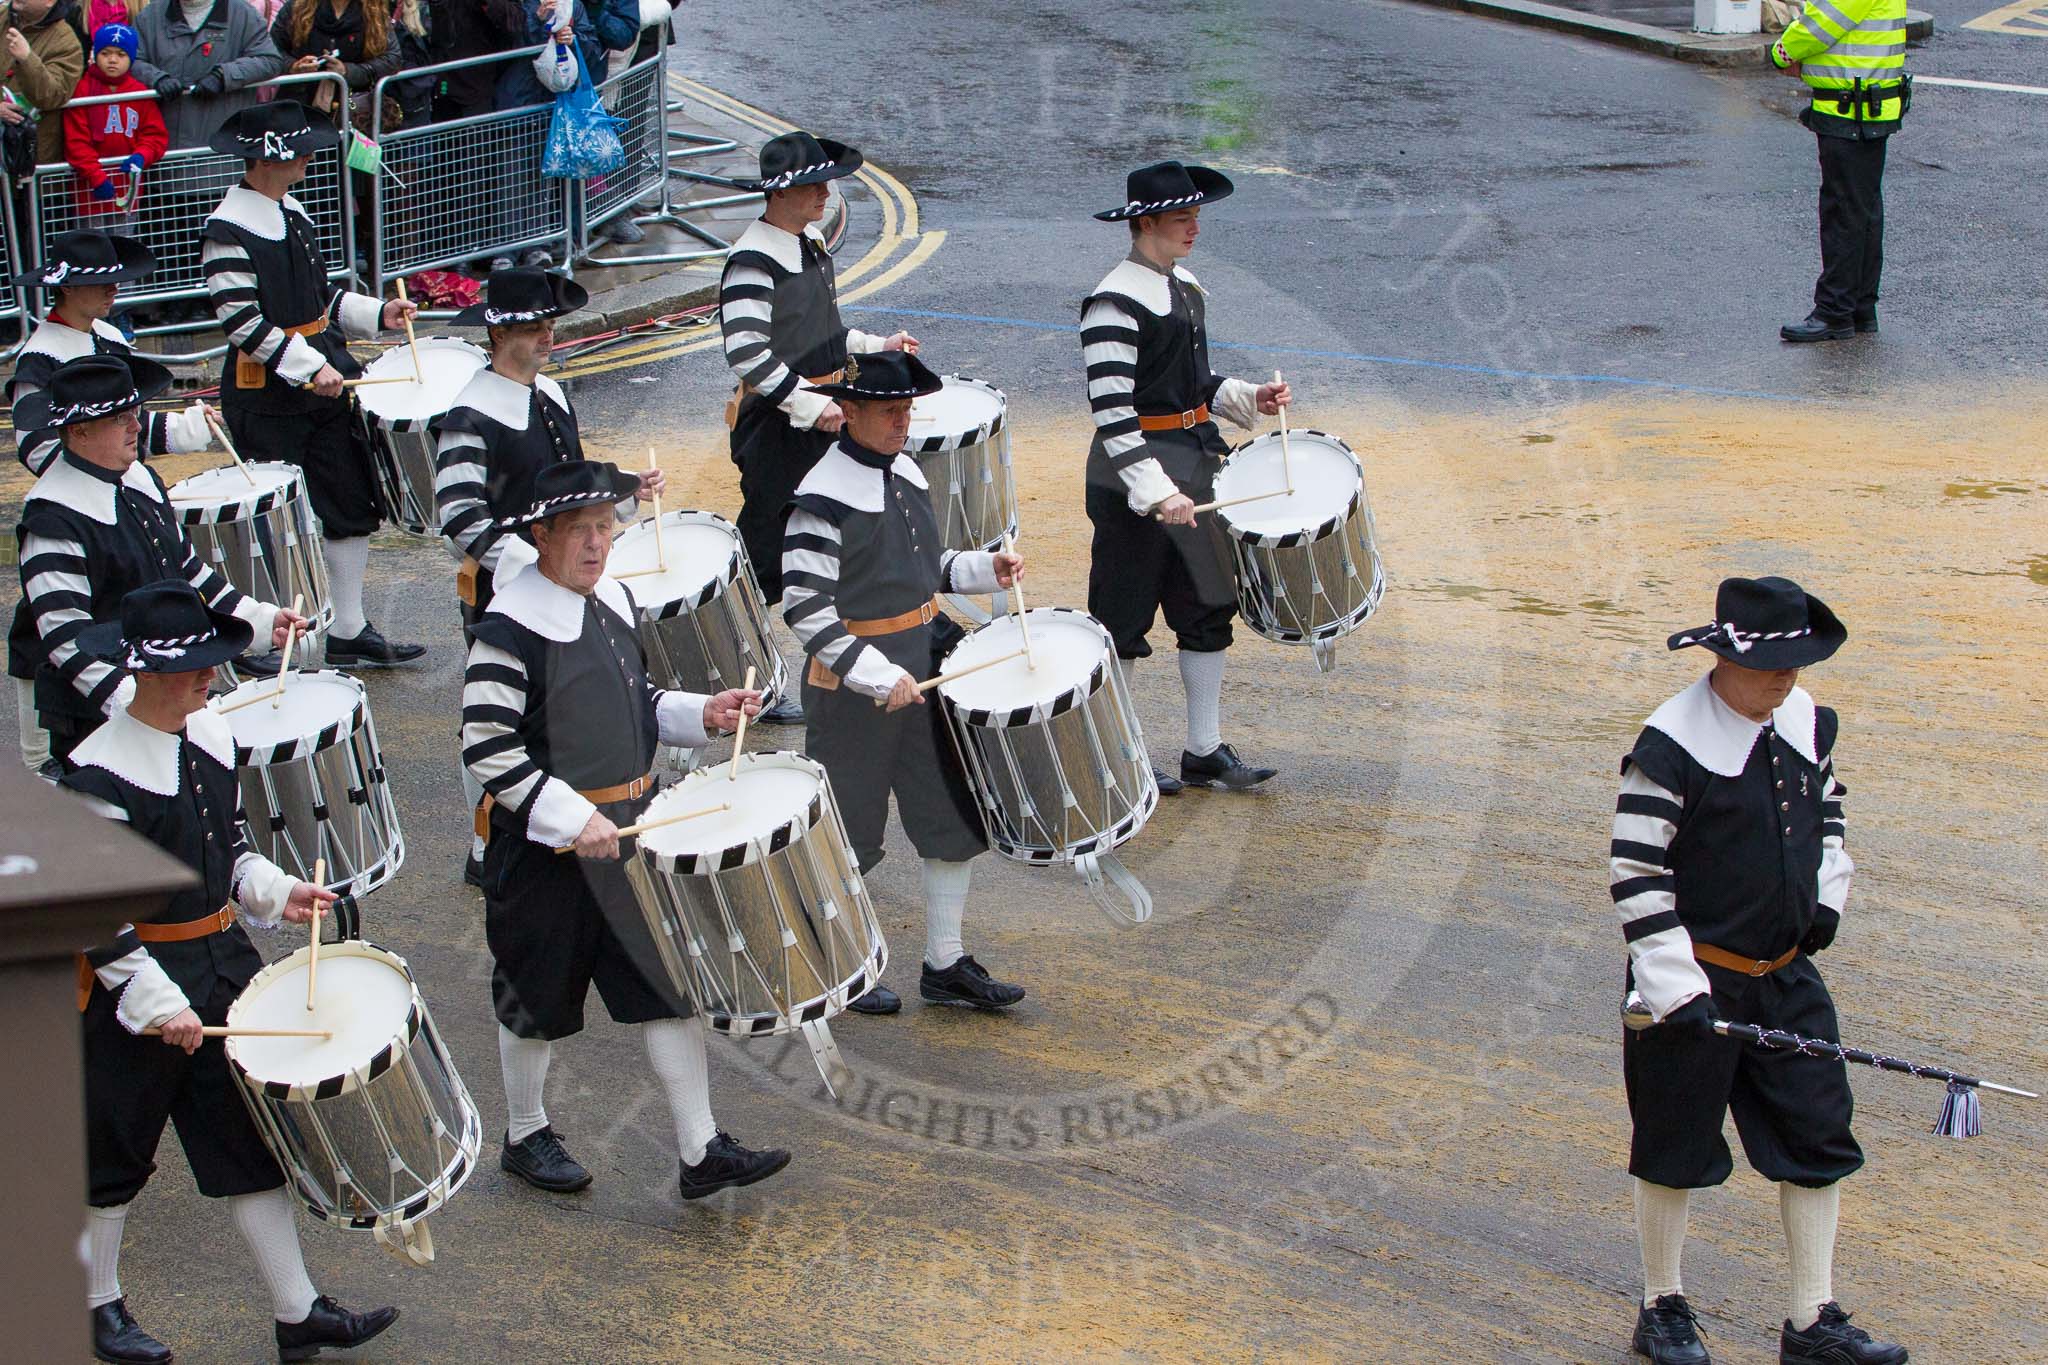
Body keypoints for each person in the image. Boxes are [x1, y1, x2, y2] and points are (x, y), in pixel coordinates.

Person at [62, 579, 400, 1365]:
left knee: (249, 1141)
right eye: (192, 669)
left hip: (223, 968)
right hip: (135, 987)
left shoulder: (208, 735)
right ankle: (94, 1305)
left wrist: (278, 892)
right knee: (112, 1154)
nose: (210, 677)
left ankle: (297, 1309)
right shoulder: (95, 776)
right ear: (144, 674)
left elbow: (232, 848)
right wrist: (151, 1001)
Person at [462, 460, 790, 1199]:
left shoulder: (613, 598)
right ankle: (524, 1133)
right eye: (579, 529)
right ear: (541, 535)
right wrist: (573, 817)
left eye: (606, 525)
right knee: (534, 998)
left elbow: (635, 695)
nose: (596, 542)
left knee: (666, 987)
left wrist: (700, 711)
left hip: (630, 834)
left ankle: (701, 1148)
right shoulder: (507, 629)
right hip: (548, 852)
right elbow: (487, 750)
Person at [1610, 577, 1907, 1365]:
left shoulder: (1803, 719)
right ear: (1721, 658)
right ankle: (1662, 1306)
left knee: (1817, 1131)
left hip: (1784, 974)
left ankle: (1812, 1320)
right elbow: (1635, 872)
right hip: (1690, 978)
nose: (1787, 681)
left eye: (1799, 667)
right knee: (1675, 1142)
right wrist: (1677, 989)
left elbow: (1831, 802)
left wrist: (1825, 891)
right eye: (1774, 668)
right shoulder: (1669, 743)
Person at [782, 351, 1027, 1014]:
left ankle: (945, 962)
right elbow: (806, 609)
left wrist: (985, 569)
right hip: (854, 690)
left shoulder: (908, 468)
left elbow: (929, 565)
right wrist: (873, 673)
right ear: (851, 412)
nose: (903, 420)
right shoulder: (819, 498)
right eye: (890, 410)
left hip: (924, 670)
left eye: (908, 408)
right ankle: (841, 963)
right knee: (849, 832)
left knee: (948, 813)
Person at [437, 267, 657, 883]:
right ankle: (485, 843)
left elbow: (574, 490)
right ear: (498, 334)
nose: (546, 338)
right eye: (533, 329)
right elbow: (456, 513)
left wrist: (627, 496)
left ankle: (562, 812)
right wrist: (529, 568)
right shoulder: (469, 414)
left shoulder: (552, 395)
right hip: (508, 589)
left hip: (560, 575)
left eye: (549, 326)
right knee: (496, 716)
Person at [1081, 159, 1288, 794]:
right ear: (1145, 222)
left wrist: (1250, 396)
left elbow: (1190, 383)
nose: (1194, 227)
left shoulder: (1184, 285)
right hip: (1133, 476)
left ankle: (1203, 750)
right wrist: (1154, 490)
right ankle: (1123, 756)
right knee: (1125, 616)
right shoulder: (1111, 303)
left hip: (1196, 459)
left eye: (1196, 215)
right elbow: (1114, 413)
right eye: (1181, 218)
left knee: (1205, 606)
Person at [202, 99, 426, 666]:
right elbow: (242, 323)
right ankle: (266, 640)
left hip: (325, 373)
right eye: (298, 150)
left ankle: (348, 629)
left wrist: (379, 315)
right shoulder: (227, 228)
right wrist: (308, 368)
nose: (308, 158)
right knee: (278, 519)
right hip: (268, 395)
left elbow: (320, 300)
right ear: (266, 160)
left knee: (349, 501)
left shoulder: (293, 210)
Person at [13, 353, 306, 763]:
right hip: (102, 724)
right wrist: (138, 707)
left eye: (134, 412)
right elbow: (65, 639)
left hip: (167, 699)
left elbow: (188, 570)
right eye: (119, 418)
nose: (136, 426)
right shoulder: (52, 519)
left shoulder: (141, 479)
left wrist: (258, 620)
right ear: (78, 431)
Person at [719, 128, 915, 726]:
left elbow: (821, 334)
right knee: (764, 558)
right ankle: (739, 675)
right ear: (782, 193)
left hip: (819, 414)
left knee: (832, 541)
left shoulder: (804, 243)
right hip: (779, 429)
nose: (828, 193)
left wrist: (876, 345)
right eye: (815, 184)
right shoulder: (752, 259)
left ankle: (834, 670)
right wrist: (808, 404)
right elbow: (747, 355)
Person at [5, 233, 217, 773]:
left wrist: (186, 431)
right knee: (57, 761)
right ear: (63, 289)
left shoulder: (104, 337)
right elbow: (37, 446)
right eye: (96, 283)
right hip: (79, 532)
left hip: (117, 504)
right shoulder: (40, 357)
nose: (111, 292)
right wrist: (97, 493)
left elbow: (128, 427)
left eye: (113, 280)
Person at [1769, 0, 1908, 342]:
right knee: (1863, 210)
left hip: (1850, 109)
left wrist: (1781, 52)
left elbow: (1821, 25)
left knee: (1843, 212)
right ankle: (1858, 307)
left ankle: (1834, 312)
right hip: (1864, 106)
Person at [128, 0, 286, 150]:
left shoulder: (243, 14)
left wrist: (224, 75)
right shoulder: (149, 17)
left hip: (226, 146)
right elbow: (131, 60)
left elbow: (269, 60)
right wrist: (156, 78)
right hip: (166, 147)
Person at [63, 23, 166, 221]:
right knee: (91, 246)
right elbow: (76, 142)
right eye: (105, 53)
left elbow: (154, 135)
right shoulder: (82, 90)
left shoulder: (140, 93)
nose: (112, 60)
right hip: (89, 188)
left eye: (121, 54)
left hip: (127, 186)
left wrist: (141, 156)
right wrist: (96, 177)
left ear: (131, 58)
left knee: (124, 243)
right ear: (95, 54)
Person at [1, 0, 85, 163]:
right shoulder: (1, 16)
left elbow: (53, 95)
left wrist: (27, 59)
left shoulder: (67, 42)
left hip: (30, 158)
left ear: (50, 2)